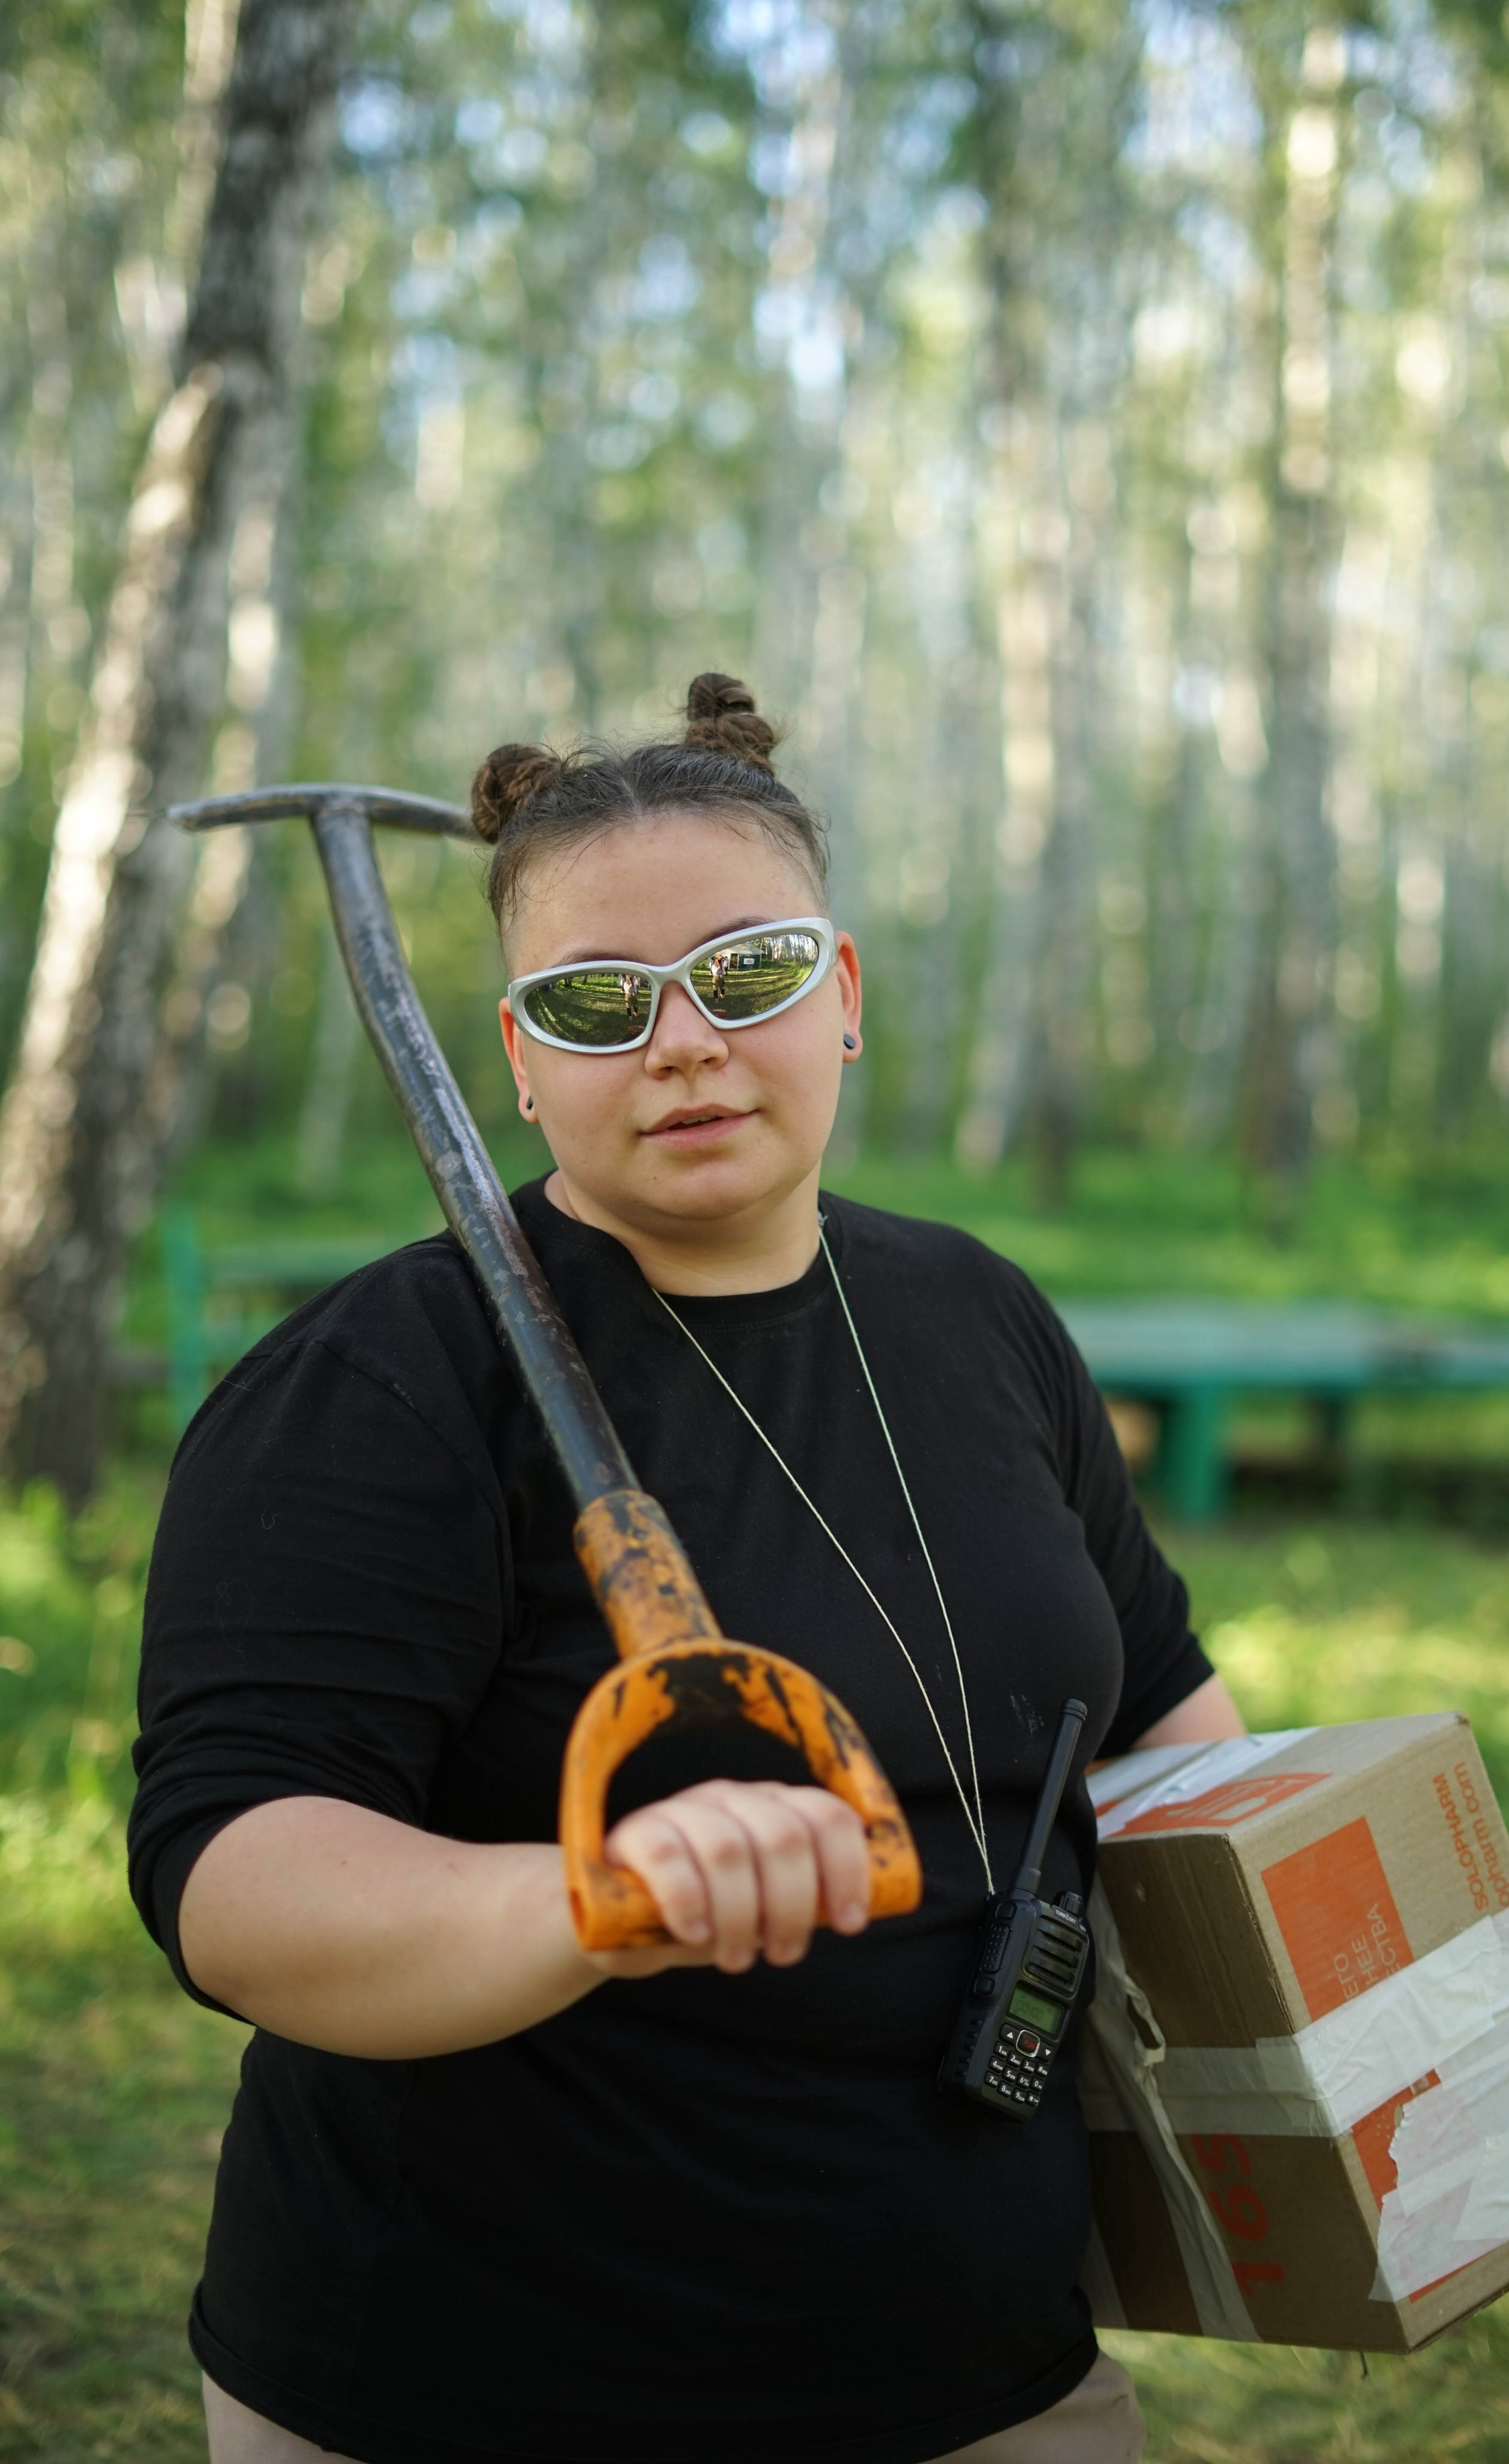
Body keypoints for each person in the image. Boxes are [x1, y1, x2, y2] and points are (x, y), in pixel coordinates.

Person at [129, 674, 1244, 2464]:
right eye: (598, 1001)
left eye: (749, 971)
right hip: (492, 2383)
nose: (684, 1043)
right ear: (518, 1059)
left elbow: (1166, 1711)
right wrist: (590, 1900)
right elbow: (237, 1880)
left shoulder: (975, 1313)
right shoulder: (381, 1385)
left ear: (844, 994)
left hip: (987, 2367)